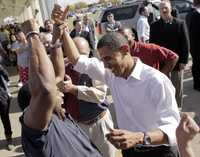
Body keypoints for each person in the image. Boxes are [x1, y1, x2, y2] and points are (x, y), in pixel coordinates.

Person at [52, 6, 180, 157]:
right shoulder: (111, 74)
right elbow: (77, 60)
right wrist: (62, 28)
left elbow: (173, 129)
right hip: (130, 150)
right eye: (102, 60)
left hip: (159, 151)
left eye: (108, 58)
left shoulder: (156, 81)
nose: (105, 65)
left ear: (125, 50)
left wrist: (139, 137)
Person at [19, 19, 102, 157]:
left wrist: (56, 39)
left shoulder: (55, 113)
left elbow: (58, 75)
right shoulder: (37, 128)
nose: (61, 93)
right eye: (56, 92)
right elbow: (45, 89)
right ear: (35, 106)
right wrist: (32, 34)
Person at [59, 37, 116, 157]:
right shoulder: (63, 69)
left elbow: (99, 95)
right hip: (78, 126)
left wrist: (73, 88)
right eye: (75, 54)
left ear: (89, 52)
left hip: (100, 124)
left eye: (83, 55)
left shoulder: (95, 67)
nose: (79, 59)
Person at [150, 0, 189, 108]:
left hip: (177, 64)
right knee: (165, 89)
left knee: (177, 88)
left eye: (166, 7)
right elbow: (153, 47)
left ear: (171, 9)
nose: (164, 10)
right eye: (162, 8)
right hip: (162, 65)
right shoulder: (154, 26)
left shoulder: (180, 23)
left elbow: (185, 44)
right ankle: (169, 110)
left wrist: (183, 61)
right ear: (159, 11)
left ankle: (178, 109)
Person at [185, 0, 200, 91]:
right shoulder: (196, 14)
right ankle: (198, 84)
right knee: (197, 64)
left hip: (193, 44)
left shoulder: (189, 14)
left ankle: (196, 83)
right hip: (197, 44)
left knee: (196, 63)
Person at [0, 64, 13, 150]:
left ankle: (9, 138)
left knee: (5, 118)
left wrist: (6, 91)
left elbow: (6, 75)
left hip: (1, 97)